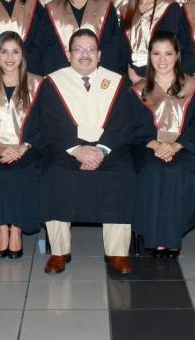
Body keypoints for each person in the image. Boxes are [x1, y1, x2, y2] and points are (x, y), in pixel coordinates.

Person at [39, 29, 135, 275]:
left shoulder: (117, 81)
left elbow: (123, 122)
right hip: (68, 147)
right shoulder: (53, 82)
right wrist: (77, 150)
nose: (85, 55)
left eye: (91, 49)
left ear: (99, 54)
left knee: (122, 176)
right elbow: (50, 123)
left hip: (108, 148)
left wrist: (100, 151)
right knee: (54, 175)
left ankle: (117, 251)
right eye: (78, 49)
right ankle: (59, 250)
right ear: (68, 54)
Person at [130, 31, 195, 256]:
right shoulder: (138, 90)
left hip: (186, 148)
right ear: (149, 56)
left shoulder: (193, 86)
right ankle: (155, 237)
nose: (162, 60)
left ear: (177, 56)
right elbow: (132, 127)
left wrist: (175, 146)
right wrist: (155, 145)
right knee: (152, 171)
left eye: (168, 54)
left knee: (176, 172)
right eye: (156, 54)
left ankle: (172, 236)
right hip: (148, 148)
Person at [0, 32, 45, 257]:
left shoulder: (38, 84)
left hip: (29, 148)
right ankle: (2, 229)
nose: (10, 57)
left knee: (21, 172)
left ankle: (16, 229)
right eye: (4, 52)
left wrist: (23, 148)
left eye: (15, 52)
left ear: (22, 55)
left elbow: (45, 123)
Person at [40, 0, 124, 75]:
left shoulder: (106, 7)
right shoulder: (51, 10)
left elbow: (113, 50)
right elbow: (47, 52)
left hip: (99, 78)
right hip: (62, 78)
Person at [121, 0, 182, 82]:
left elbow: (172, 48)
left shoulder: (169, 7)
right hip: (131, 76)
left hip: (162, 75)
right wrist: (131, 73)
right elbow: (123, 49)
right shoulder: (125, 11)